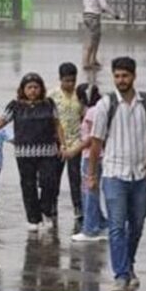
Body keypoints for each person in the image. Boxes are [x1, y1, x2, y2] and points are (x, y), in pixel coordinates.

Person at [88, 57, 146, 291]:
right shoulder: (105, 105)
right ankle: (120, 275)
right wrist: (91, 175)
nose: (121, 80)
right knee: (117, 226)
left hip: (140, 176)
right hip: (114, 175)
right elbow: (96, 143)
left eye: (125, 76)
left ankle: (128, 265)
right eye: (117, 76)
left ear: (134, 76)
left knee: (137, 224)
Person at [0, 73, 66, 232]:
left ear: (41, 88)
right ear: (23, 89)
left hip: (48, 152)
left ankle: (46, 212)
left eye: (36, 87)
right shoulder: (15, 106)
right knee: (28, 185)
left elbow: (57, 125)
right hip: (24, 153)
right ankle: (33, 219)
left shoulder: (49, 104)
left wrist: (63, 145)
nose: (33, 90)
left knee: (49, 182)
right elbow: (0, 122)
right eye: (29, 87)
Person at [72, 83, 108, 242]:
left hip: (93, 156)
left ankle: (90, 229)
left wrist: (73, 150)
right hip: (93, 155)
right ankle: (100, 223)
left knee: (89, 193)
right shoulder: (96, 110)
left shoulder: (93, 112)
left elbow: (92, 138)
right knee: (89, 192)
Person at [52, 62, 84, 232]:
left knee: (75, 177)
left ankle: (78, 207)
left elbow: (85, 115)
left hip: (76, 144)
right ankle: (52, 206)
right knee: (54, 177)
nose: (70, 84)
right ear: (60, 79)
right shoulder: (52, 96)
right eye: (66, 81)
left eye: (73, 80)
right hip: (57, 144)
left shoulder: (80, 95)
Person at [82, 0, 117, 70]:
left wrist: (99, 9)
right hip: (94, 17)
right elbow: (104, 5)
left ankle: (93, 59)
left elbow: (89, 4)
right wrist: (114, 14)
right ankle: (87, 62)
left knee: (95, 38)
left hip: (86, 16)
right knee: (93, 39)